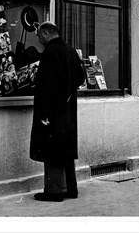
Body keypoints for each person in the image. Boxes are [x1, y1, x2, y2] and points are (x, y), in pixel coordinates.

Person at [29, 22, 85, 202]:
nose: (38, 39)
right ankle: (70, 188)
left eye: (39, 35)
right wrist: (67, 92)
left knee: (52, 149)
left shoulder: (50, 52)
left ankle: (55, 191)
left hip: (52, 110)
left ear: (46, 33)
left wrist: (44, 112)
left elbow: (45, 85)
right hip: (68, 109)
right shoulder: (70, 50)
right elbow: (80, 78)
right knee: (66, 149)